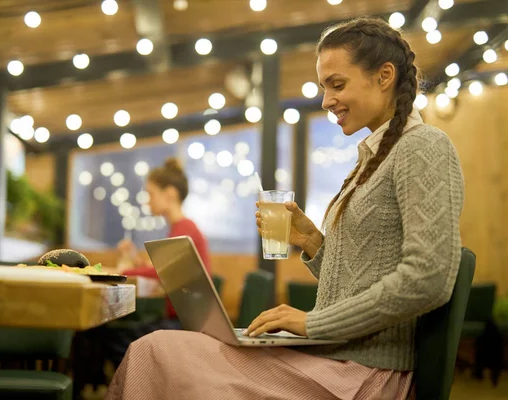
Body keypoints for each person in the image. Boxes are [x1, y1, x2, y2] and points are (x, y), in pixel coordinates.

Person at [106, 16, 464, 400]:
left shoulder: (423, 146)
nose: (327, 101)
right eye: (324, 88)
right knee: (159, 350)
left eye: (337, 85)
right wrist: (313, 240)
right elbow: (362, 278)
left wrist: (313, 323)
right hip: (335, 357)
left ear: (384, 76)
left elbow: (428, 277)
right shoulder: (374, 158)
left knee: (158, 351)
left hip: (363, 376)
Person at [116, 157, 211, 319]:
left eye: (151, 194)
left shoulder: (185, 229)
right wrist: (134, 259)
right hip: (181, 319)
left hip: (182, 323)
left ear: (170, 194)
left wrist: (122, 272)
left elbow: (163, 273)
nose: (147, 202)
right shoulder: (181, 227)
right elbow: (166, 269)